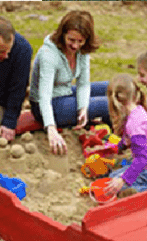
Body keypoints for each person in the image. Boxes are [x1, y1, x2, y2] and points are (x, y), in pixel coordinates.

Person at [29, 10, 108, 155]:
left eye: (80, 41)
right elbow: (44, 97)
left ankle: (116, 131)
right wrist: (51, 128)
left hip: (65, 92)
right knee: (106, 104)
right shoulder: (49, 54)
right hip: (47, 105)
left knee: (111, 88)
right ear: (62, 34)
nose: (75, 46)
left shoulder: (82, 51)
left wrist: (83, 108)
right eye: (71, 40)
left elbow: (83, 83)